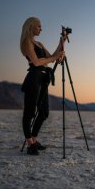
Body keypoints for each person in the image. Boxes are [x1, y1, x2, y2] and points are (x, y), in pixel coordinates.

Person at [20, 17, 66, 155]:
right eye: (39, 26)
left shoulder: (39, 43)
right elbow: (36, 62)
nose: (41, 28)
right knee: (29, 112)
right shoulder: (26, 42)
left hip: (43, 78)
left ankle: (34, 139)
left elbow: (52, 56)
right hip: (34, 78)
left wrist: (62, 40)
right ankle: (30, 145)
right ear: (31, 26)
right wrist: (54, 57)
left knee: (44, 112)